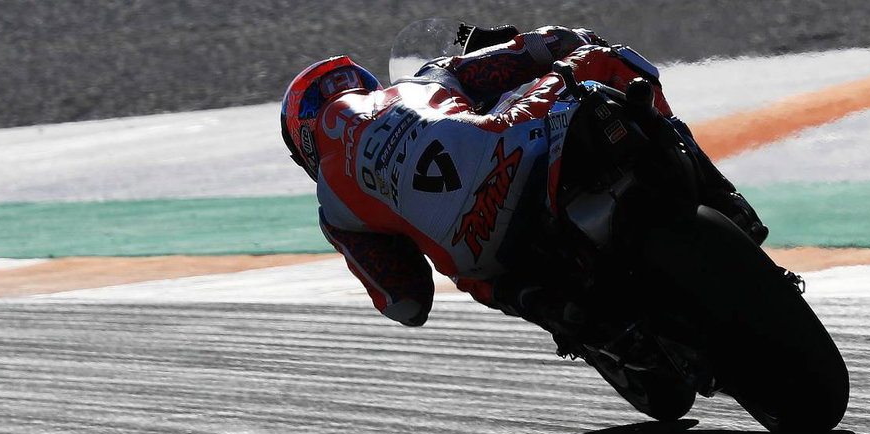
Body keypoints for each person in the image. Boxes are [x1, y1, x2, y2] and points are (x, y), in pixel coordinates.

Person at [281, 24, 769, 340]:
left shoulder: (333, 207)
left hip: (475, 245)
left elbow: (406, 303)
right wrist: (510, 40)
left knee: (471, 273)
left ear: (302, 141)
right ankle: (723, 198)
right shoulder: (421, 82)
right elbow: (552, 44)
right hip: (515, 149)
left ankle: (558, 311)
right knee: (603, 58)